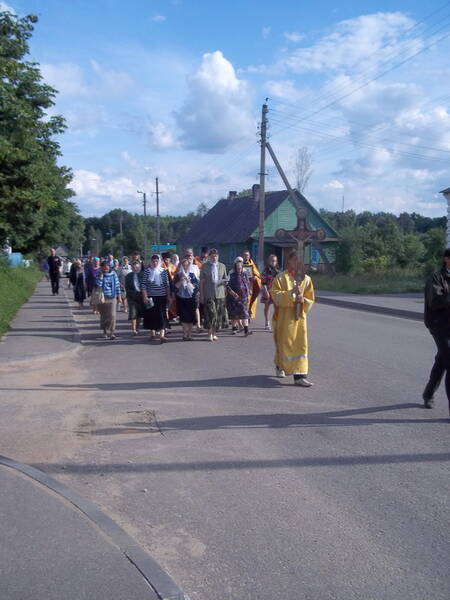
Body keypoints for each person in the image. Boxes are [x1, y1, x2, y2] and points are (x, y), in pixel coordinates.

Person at [270, 250, 315, 386]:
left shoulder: (306, 279)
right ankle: (280, 365)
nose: (297, 263)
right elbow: (275, 295)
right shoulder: (281, 278)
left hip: (299, 318)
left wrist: (303, 300)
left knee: (300, 345)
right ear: (289, 261)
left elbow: (310, 299)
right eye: (294, 260)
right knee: (285, 343)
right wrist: (291, 294)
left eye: (299, 260)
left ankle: (300, 376)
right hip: (285, 318)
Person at [423, 248, 450, 414]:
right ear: (446, 259)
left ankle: (428, 394)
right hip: (439, 325)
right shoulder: (436, 277)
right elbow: (435, 302)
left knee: (442, 360)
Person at [200, 248, 228, 342]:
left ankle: (214, 333)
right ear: (209, 257)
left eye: (216, 256)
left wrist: (225, 282)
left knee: (218, 315)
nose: (214, 258)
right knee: (211, 314)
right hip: (209, 293)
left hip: (220, 294)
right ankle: (209, 333)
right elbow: (202, 282)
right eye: (212, 256)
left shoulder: (222, 266)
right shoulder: (205, 266)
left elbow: (225, 278)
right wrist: (202, 295)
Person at [141, 254, 171, 343]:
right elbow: (143, 285)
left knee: (162, 315)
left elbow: (167, 285)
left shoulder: (163, 271)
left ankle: (162, 335)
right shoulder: (147, 271)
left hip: (161, 296)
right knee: (152, 315)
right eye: (153, 261)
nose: (155, 263)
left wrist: (168, 296)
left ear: (159, 262)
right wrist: (145, 296)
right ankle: (152, 333)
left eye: (156, 261)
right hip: (151, 297)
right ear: (151, 262)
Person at [174, 256, 199, 340]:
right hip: (181, 298)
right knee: (183, 317)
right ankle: (184, 334)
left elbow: (196, 287)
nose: (185, 267)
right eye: (183, 265)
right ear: (181, 266)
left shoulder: (192, 275)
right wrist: (181, 281)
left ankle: (190, 334)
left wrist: (189, 281)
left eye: (187, 265)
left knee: (191, 317)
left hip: (191, 297)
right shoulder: (178, 275)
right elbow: (174, 288)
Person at [226, 257, 252, 336]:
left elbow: (247, 284)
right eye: (238, 268)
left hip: (243, 297)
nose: (239, 269)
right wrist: (232, 293)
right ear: (235, 267)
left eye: (240, 267)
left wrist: (248, 295)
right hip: (233, 297)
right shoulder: (231, 274)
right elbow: (227, 285)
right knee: (234, 314)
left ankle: (246, 331)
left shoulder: (245, 274)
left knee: (245, 314)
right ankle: (234, 329)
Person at [95, 260, 121, 339]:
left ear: (109, 267)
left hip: (112, 297)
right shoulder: (98, 273)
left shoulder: (114, 274)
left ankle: (112, 332)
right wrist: (101, 277)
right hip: (102, 298)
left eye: (107, 269)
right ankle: (105, 331)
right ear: (101, 268)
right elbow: (98, 285)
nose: (105, 270)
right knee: (104, 316)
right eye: (104, 269)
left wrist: (119, 296)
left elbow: (117, 285)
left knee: (112, 315)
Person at [261, 254, 280, 331]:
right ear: (269, 261)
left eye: (274, 261)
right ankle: (267, 322)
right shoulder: (266, 270)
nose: (273, 262)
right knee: (267, 307)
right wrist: (266, 291)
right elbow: (263, 282)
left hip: (276, 291)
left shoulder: (278, 270)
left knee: (277, 308)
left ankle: (276, 323)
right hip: (267, 290)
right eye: (272, 261)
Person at [125, 260, 144, 335]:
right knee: (133, 313)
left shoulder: (143, 275)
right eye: (133, 267)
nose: (135, 269)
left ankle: (137, 328)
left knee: (139, 314)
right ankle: (133, 329)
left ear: (139, 267)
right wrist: (131, 294)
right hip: (131, 297)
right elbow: (127, 287)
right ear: (131, 268)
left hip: (141, 296)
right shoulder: (128, 276)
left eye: (137, 267)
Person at [242, 250, 262, 320]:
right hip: (242, 286)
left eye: (247, 255)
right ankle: (242, 317)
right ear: (242, 256)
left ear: (249, 256)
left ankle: (248, 315)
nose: (246, 256)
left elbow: (258, 275)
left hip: (250, 286)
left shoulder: (252, 264)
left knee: (250, 300)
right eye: (244, 255)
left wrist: (255, 277)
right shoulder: (239, 264)